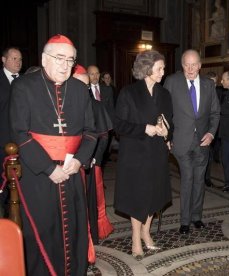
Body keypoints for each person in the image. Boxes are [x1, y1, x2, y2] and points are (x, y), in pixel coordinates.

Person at [9, 34, 97, 276]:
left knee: (75, 230)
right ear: (44, 59)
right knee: (42, 232)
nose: (65, 65)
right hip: (39, 176)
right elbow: (19, 133)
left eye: (70, 60)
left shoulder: (80, 89)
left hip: (72, 172)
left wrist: (79, 160)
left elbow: (91, 132)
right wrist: (49, 168)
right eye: (59, 58)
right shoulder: (24, 86)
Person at [114, 50, 173, 259]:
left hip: (156, 153)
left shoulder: (164, 93)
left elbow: (169, 122)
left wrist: (168, 132)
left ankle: (147, 232)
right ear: (147, 69)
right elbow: (119, 124)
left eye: (163, 68)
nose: (163, 72)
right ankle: (135, 237)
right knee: (137, 196)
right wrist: (144, 128)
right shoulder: (128, 93)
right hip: (135, 154)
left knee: (154, 195)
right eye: (160, 68)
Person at [164, 49, 220, 235]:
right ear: (182, 65)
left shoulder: (208, 85)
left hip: (203, 142)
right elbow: (165, 112)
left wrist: (211, 134)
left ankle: (196, 217)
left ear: (200, 65)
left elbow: (215, 113)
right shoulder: (172, 82)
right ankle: (185, 220)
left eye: (194, 64)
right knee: (187, 178)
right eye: (186, 64)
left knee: (199, 180)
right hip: (181, 141)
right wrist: (168, 137)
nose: (190, 68)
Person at [73, 64, 114, 243]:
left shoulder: (96, 106)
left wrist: (95, 159)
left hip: (91, 163)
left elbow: (103, 136)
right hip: (67, 163)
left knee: (92, 200)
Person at [0, 47, 22, 217]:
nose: (18, 62)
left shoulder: (25, 81)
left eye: (20, 59)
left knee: (19, 181)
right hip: (2, 140)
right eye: (14, 58)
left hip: (21, 141)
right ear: (3, 60)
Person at [204, 71, 224, 187]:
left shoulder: (219, 92)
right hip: (201, 129)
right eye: (212, 82)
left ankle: (207, 177)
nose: (214, 85)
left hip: (213, 129)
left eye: (215, 83)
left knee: (209, 155)